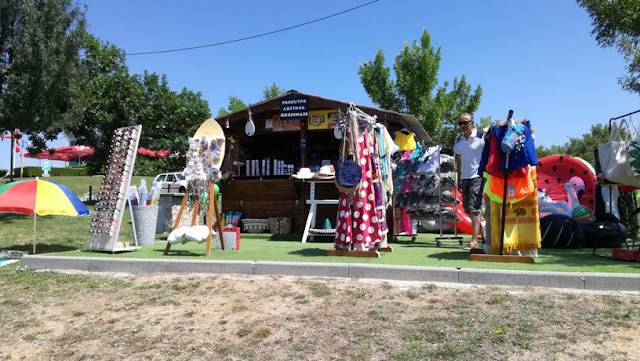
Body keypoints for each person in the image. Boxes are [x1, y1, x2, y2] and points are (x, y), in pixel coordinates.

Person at [453, 113, 485, 250]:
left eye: (465, 123)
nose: (463, 126)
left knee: (474, 208)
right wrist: (459, 179)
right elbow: (459, 161)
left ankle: (474, 242)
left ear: (472, 122)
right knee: (468, 209)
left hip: (477, 176)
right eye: (460, 123)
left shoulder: (482, 136)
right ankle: (484, 234)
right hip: (465, 177)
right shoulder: (459, 139)